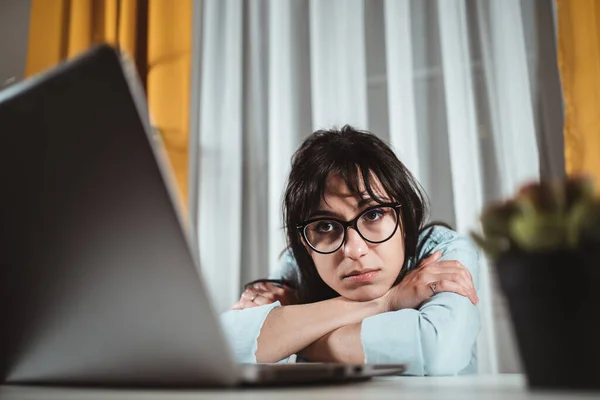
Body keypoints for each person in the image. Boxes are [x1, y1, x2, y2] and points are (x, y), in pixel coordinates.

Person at [220, 126, 481, 376]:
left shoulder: (442, 250)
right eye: (325, 225)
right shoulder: (301, 261)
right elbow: (225, 345)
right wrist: (385, 302)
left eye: (374, 214)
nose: (354, 250)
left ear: (406, 218)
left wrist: (289, 337)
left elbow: (437, 350)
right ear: (303, 240)